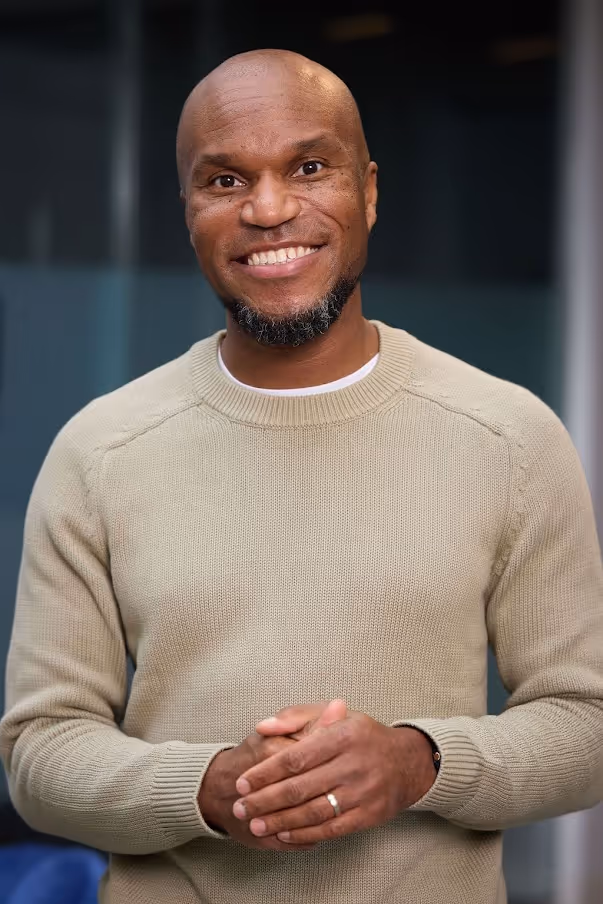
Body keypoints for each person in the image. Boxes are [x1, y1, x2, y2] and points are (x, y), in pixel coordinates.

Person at [1, 48, 602, 904]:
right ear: (188, 211)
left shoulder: (507, 437)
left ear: (368, 191)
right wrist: (208, 787)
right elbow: (40, 753)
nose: (270, 209)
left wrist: (416, 763)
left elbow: (587, 725)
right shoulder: (100, 451)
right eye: (224, 180)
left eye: (309, 167)